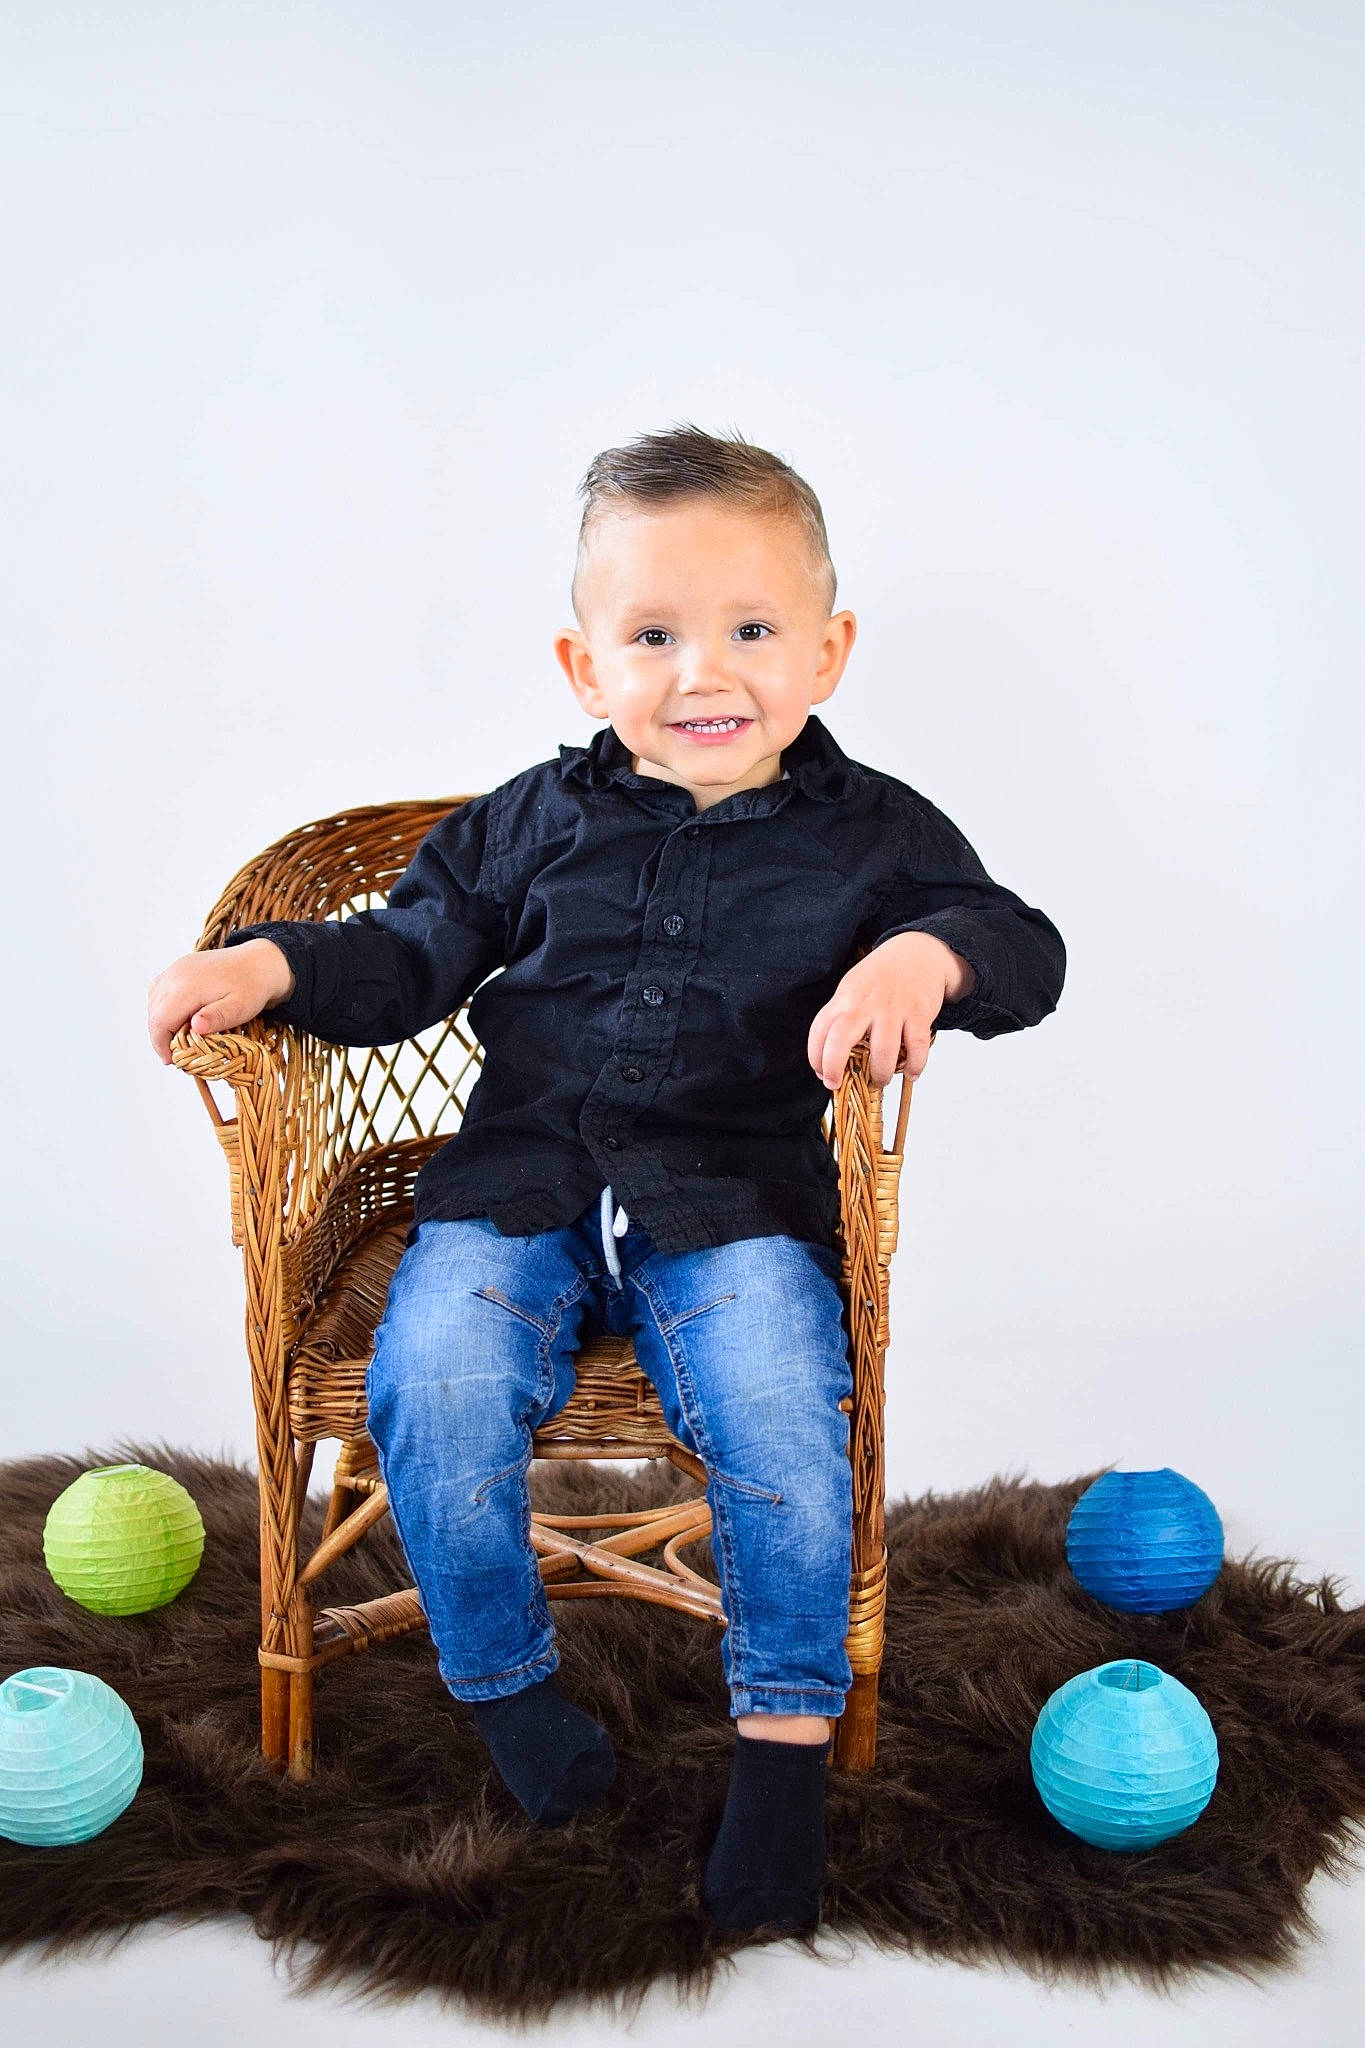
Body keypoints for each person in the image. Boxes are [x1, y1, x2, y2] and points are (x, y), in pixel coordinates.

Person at [147, 421, 1067, 1935]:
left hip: (733, 1196)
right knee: (431, 1378)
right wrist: (268, 961)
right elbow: (402, 953)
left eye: (751, 631)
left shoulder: (874, 832)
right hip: (517, 1179)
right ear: (584, 668)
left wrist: (922, 952)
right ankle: (506, 1689)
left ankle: (779, 1742)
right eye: (653, 635)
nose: (704, 674)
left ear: (827, 652)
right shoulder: (534, 816)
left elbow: (1018, 945)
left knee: (780, 1395)